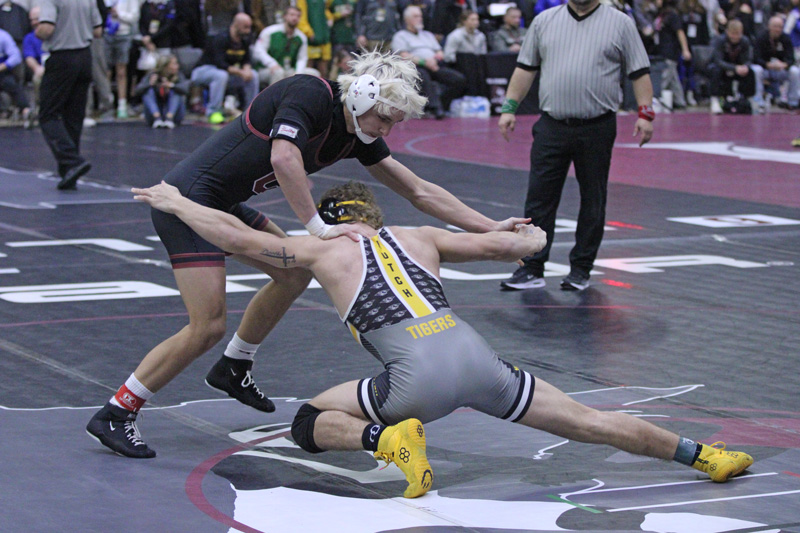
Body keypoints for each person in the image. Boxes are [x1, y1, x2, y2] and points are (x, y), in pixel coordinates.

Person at [133, 179, 755, 499]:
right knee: (589, 419)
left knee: (309, 419)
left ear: (331, 218)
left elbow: (238, 239)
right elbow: (512, 244)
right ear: (373, 215)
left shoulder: (318, 248)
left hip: (414, 377)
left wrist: (177, 201)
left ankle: (388, 441)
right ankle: (704, 455)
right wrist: (527, 234)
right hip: (477, 361)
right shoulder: (418, 237)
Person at [85, 51, 528, 459]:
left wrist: (489, 226)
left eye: (394, 124)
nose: (386, 131)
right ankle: (117, 412)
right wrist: (318, 228)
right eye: (384, 120)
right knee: (207, 326)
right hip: (188, 203)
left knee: (294, 274)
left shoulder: (357, 129)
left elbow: (418, 189)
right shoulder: (310, 92)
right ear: (360, 96)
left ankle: (234, 366)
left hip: (222, 203)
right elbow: (283, 159)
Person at [498, 0, 654, 291]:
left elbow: (639, 71)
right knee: (539, 198)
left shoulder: (620, 23)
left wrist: (646, 114)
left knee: (593, 197)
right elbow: (525, 68)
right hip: (552, 124)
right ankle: (531, 267)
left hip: (597, 125)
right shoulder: (544, 21)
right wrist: (509, 106)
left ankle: (581, 269)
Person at [36, 0, 102, 190]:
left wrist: (36, 32)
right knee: (73, 116)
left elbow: (46, 29)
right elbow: (98, 31)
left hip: (62, 58)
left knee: (48, 114)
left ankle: (72, 161)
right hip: (84, 58)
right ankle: (69, 171)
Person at [391, 5, 467, 118]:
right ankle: (435, 108)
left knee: (458, 79)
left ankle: (442, 104)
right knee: (423, 76)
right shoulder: (400, 36)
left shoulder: (428, 35)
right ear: (407, 20)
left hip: (434, 65)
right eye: (416, 16)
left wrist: (434, 60)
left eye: (420, 16)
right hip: (415, 67)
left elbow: (440, 52)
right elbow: (404, 55)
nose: (420, 18)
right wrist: (424, 62)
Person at [190, 12, 258, 124]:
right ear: (236, 25)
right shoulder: (220, 38)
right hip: (203, 71)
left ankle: (251, 112)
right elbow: (220, 63)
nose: (248, 31)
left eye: (249, 27)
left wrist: (247, 70)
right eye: (245, 27)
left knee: (253, 75)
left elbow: (246, 60)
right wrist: (241, 73)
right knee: (221, 75)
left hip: (227, 73)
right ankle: (213, 112)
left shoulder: (244, 40)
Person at [251, 5, 315, 87]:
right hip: (267, 69)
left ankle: (302, 99)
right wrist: (271, 64)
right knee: (278, 73)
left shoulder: (301, 37)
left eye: (298, 16)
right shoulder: (270, 32)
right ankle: (274, 99)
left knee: (313, 74)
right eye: (292, 15)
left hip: (288, 70)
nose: (295, 18)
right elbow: (258, 51)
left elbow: (302, 58)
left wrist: (298, 73)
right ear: (284, 16)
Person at [708, 19, 757, 114]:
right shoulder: (720, 41)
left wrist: (745, 67)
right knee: (715, 70)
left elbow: (749, 59)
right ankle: (715, 99)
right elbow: (718, 61)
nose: (735, 37)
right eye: (733, 34)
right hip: (723, 68)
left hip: (739, 68)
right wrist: (734, 68)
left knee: (751, 72)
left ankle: (748, 98)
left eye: (738, 34)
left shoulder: (745, 41)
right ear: (727, 32)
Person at [753, 15, 799, 110]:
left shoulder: (786, 38)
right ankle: (758, 101)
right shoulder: (761, 38)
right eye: (775, 26)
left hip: (780, 70)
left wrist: (784, 64)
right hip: (765, 69)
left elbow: (791, 58)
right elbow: (756, 58)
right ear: (769, 26)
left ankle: (792, 102)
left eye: (780, 27)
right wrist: (767, 64)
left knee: (795, 71)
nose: (778, 29)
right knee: (756, 70)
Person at [105, 0, 140, 119]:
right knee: (106, 71)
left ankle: (122, 105)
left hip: (123, 34)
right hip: (107, 33)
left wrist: (119, 14)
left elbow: (134, 17)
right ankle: (107, 104)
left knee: (121, 71)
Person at [134, 54, 189, 128]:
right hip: (153, 115)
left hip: (175, 115)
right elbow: (137, 91)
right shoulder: (152, 75)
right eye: (174, 64)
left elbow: (186, 90)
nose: (177, 66)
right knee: (148, 91)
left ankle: (169, 118)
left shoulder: (179, 76)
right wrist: (149, 84)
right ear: (165, 66)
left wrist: (171, 86)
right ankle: (157, 117)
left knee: (176, 92)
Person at [656, 0, 692, 109]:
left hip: (670, 51)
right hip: (662, 50)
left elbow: (680, 32)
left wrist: (685, 49)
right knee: (673, 78)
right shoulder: (662, 14)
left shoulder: (673, 15)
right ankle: (680, 101)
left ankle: (655, 98)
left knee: (666, 77)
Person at [0, 27, 29, 121]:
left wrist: (3, 66)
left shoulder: (3, 36)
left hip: (2, 73)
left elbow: (16, 56)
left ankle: (26, 111)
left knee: (12, 85)